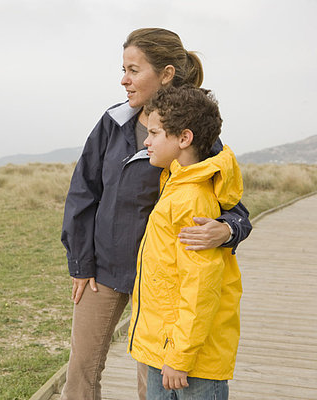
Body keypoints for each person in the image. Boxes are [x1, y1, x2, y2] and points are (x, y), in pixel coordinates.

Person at [60, 28, 252, 400]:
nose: (124, 79)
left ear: (165, 74)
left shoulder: (190, 126)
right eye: (123, 69)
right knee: (81, 370)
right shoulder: (112, 122)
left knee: (150, 382)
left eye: (133, 70)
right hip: (104, 268)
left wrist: (228, 229)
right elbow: (83, 191)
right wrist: (81, 262)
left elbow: (231, 204)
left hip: (163, 280)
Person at [128, 85, 242, 400]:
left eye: (154, 133)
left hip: (191, 362)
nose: (147, 141)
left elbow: (200, 287)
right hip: (162, 350)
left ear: (184, 138)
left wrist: (179, 357)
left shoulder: (192, 199)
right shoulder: (176, 185)